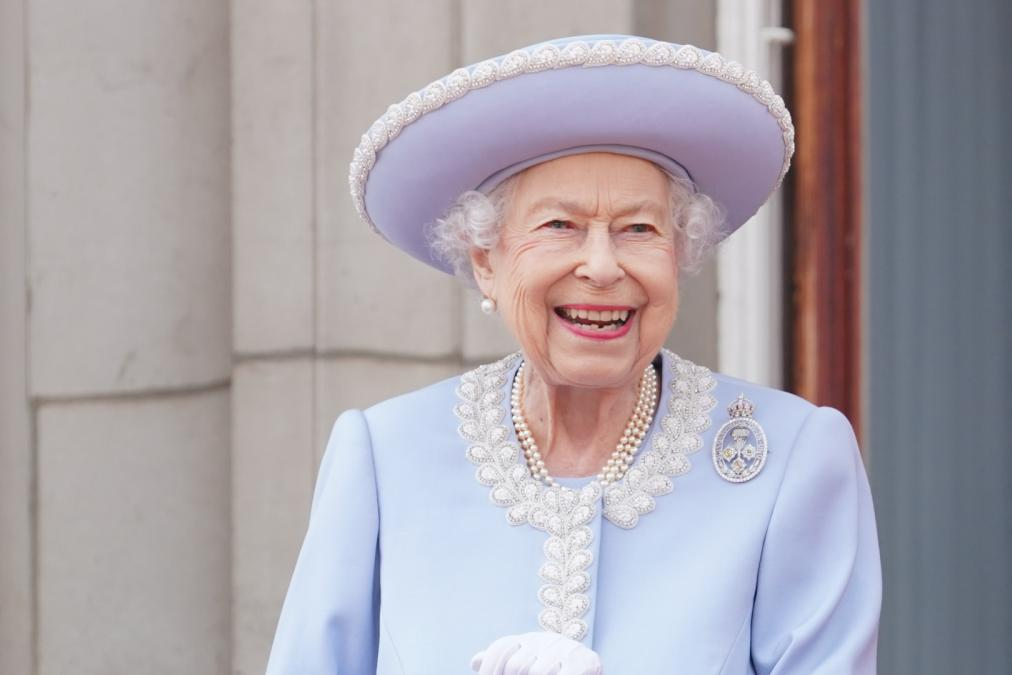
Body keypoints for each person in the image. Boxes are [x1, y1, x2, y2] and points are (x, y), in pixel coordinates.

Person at [265, 34, 881, 675]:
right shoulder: (385, 455)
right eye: (559, 226)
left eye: (638, 229)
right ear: (486, 260)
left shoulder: (791, 460)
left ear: (679, 253)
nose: (602, 266)